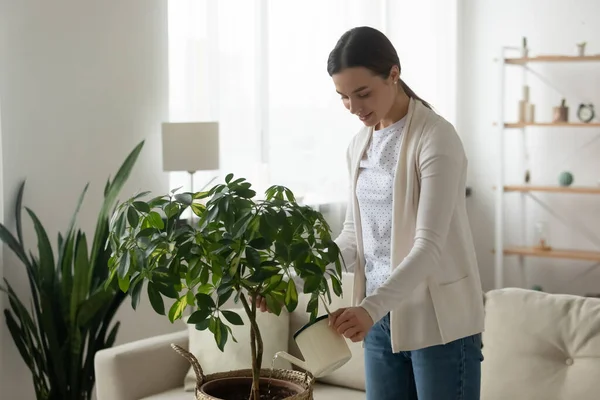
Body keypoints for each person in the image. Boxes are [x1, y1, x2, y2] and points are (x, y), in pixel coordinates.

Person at [258, 26, 485, 400]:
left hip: (440, 323)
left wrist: (368, 309)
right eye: (343, 97)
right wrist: (292, 281)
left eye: (363, 93)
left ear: (394, 74)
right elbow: (352, 237)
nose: (354, 107)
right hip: (380, 320)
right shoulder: (359, 144)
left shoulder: (436, 138)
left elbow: (428, 247)